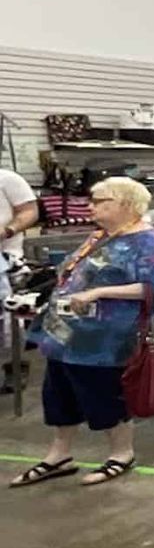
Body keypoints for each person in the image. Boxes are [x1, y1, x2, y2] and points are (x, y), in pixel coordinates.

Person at [10, 177, 154, 489]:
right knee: (60, 393)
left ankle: (122, 453)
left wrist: (99, 292)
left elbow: (153, 288)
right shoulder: (101, 237)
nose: (92, 207)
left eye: (101, 202)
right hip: (66, 333)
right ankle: (59, 455)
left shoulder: (151, 244)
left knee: (103, 395)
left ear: (126, 205)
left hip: (106, 338)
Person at [0, 167, 38, 392]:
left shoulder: (8, 179)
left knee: (8, 317)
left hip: (6, 257)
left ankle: (14, 365)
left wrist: (7, 230)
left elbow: (29, 211)